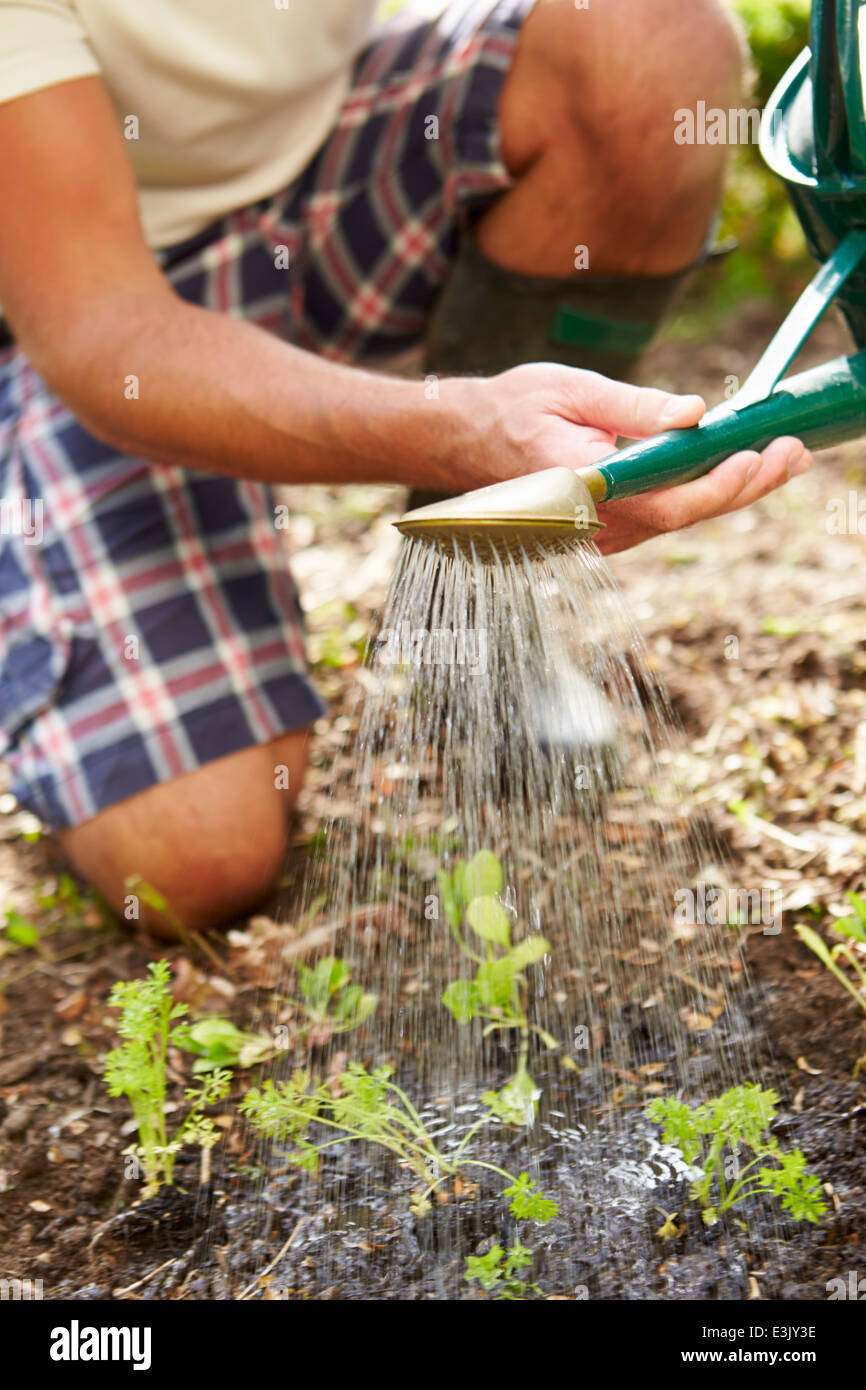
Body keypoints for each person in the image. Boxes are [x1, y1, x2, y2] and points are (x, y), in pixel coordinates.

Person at [0, 0, 812, 935]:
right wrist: (456, 428)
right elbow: (100, 330)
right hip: (78, 288)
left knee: (646, 43)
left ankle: (476, 608)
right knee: (192, 855)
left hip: (321, 166)